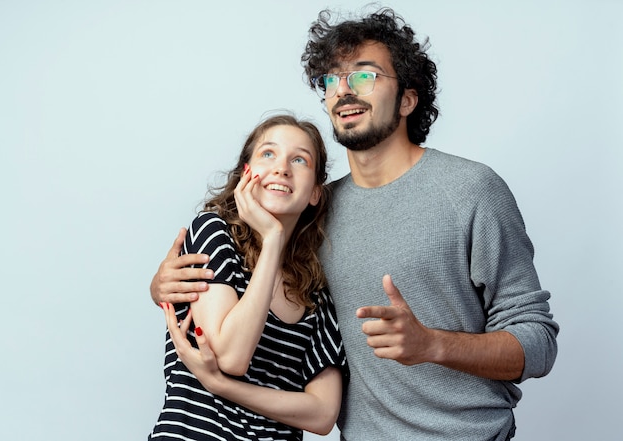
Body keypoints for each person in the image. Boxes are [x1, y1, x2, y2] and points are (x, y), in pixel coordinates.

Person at [150, 8, 559, 441]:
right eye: (332, 80)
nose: (344, 90)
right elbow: (254, 278)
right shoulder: (313, 215)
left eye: (365, 76)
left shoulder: (471, 190)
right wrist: (161, 287)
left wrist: (432, 345)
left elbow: (539, 342)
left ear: (407, 99)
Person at [148, 114, 348, 441]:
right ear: (246, 173)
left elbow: (324, 414)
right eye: (268, 154)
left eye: (299, 159)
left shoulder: (317, 293)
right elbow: (231, 355)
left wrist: (222, 386)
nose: (282, 168)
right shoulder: (213, 234)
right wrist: (272, 240)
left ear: (315, 191)